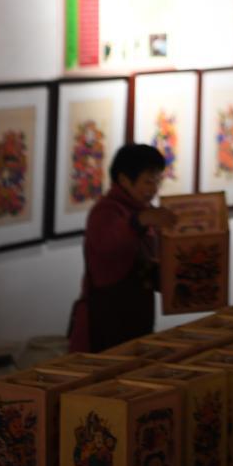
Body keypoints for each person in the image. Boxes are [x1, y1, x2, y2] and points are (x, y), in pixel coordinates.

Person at [68, 143, 177, 353]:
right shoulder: (106, 210)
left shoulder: (147, 212)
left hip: (136, 318)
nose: (154, 189)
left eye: (158, 181)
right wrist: (140, 221)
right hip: (105, 323)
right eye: (148, 181)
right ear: (124, 180)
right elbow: (109, 246)